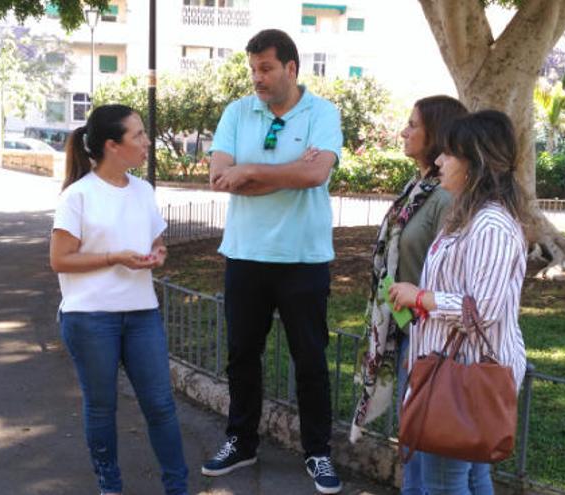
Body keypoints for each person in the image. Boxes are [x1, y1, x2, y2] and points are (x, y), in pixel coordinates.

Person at [201, 29, 344, 494]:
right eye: (253, 69)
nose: (257, 78)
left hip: (304, 257)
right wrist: (290, 173)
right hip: (245, 254)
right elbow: (220, 177)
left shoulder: (322, 113)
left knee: (310, 360)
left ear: (291, 68)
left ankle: (317, 452)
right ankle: (241, 441)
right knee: (242, 355)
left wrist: (253, 170)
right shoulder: (238, 112)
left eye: (266, 68)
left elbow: (318, 172)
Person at [49, 104, 189, 495]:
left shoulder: (143, 190)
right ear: (112, 145)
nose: (147, 142)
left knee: (161, 406)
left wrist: (157, 254)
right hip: (90, 318)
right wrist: (114, 257)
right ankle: (110, 486)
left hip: (142, 313)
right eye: (138, 135)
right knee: (102, 408)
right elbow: (60, 260)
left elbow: (156, 241)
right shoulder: (77, 196)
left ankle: (177, 488)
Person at [388, 110, 530, 495]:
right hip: (451, 367)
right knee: (466, 476)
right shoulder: (468, 217)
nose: (438, 161)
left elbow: (481, 311)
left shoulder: (491, 225)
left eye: (448, 154)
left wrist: (422, 297)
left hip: (464, 375)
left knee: (444, 484)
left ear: (473, 163)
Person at [348, 96, 467, 495]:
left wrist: (414, 313)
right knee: (416, 447)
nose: (404, 131)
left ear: (435, 134)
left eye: (413, 124)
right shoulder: (418, 188)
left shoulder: (445, 197)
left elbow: (454, 278)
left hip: (432, 342)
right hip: (409, 332)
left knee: (430, 457)